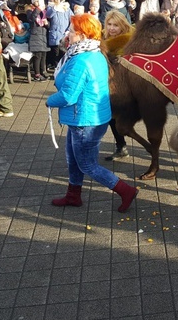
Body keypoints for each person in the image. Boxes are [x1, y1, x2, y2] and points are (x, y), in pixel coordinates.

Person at [47, 14, 138, 212]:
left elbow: (68, 96)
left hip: (85, 120)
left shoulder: (81, 60)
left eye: (71, 31)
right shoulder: (94, 52)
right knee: (73, 158)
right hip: (88, 117)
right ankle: (73, 195)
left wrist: (49, 101)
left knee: (87, 165)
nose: (68, 34)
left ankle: (125, 190)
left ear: (82, 35)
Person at [100, 11, 135, 161]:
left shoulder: (128, 41)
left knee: (115, 117)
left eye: (116, 25)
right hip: (105, 84)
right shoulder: (100, 38)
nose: (112, 28)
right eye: (109, 24)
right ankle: (121, 147)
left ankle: (123, 146)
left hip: (123, 87)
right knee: (111, 118)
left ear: (123, 26)